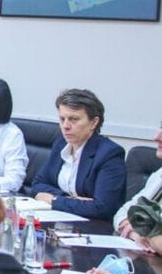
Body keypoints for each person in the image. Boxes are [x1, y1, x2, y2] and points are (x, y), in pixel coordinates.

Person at [30, 88, 126, 221]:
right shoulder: (61, 144)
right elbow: (37, 185)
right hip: (59, 219)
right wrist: (67, 198)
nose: (65, 126)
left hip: (93, 226)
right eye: (62, 119)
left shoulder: (109, 154)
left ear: (94, 122)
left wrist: (54, 200)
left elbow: (102, 208)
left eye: (73, 119)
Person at [114, 120, 162, 251]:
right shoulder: (159, 174)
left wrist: (142, 231)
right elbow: (121, 214)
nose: (156, 137)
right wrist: (135, 233)